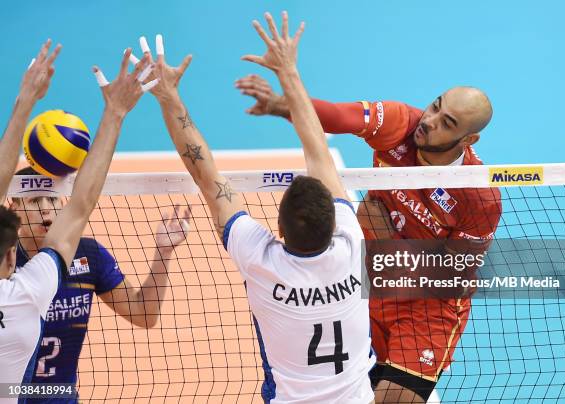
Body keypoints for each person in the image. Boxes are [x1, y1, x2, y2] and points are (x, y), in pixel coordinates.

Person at [134, 12, 376, 403]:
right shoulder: (352, 244)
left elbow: (205, 173)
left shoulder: (260, 260)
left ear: (278, 229)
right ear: (334, 223)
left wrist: (168, 96)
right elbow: (318, 145)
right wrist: (289, 71)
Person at [236, 68, 502, 402]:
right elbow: (337, 116)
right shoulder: (401, 123)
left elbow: (453, 273)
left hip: (427, 309)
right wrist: (280, 105)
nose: (430, 120)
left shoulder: (478, 195)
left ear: (468, 140)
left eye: (447, 123)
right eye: (435, 106)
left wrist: (386, 239)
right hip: (367, 285)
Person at [0, 43, 151, 404]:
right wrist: (115, 112)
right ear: (9, 257)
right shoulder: (27, 293)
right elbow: (81, 205)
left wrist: (24, 101)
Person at [9, 168, 190, 403]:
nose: (46, 207)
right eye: (34, 200)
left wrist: (163, 254)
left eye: (53, 198)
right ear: (15, 210)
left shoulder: (88, 255)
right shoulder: (5, 261)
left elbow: (144, 314)